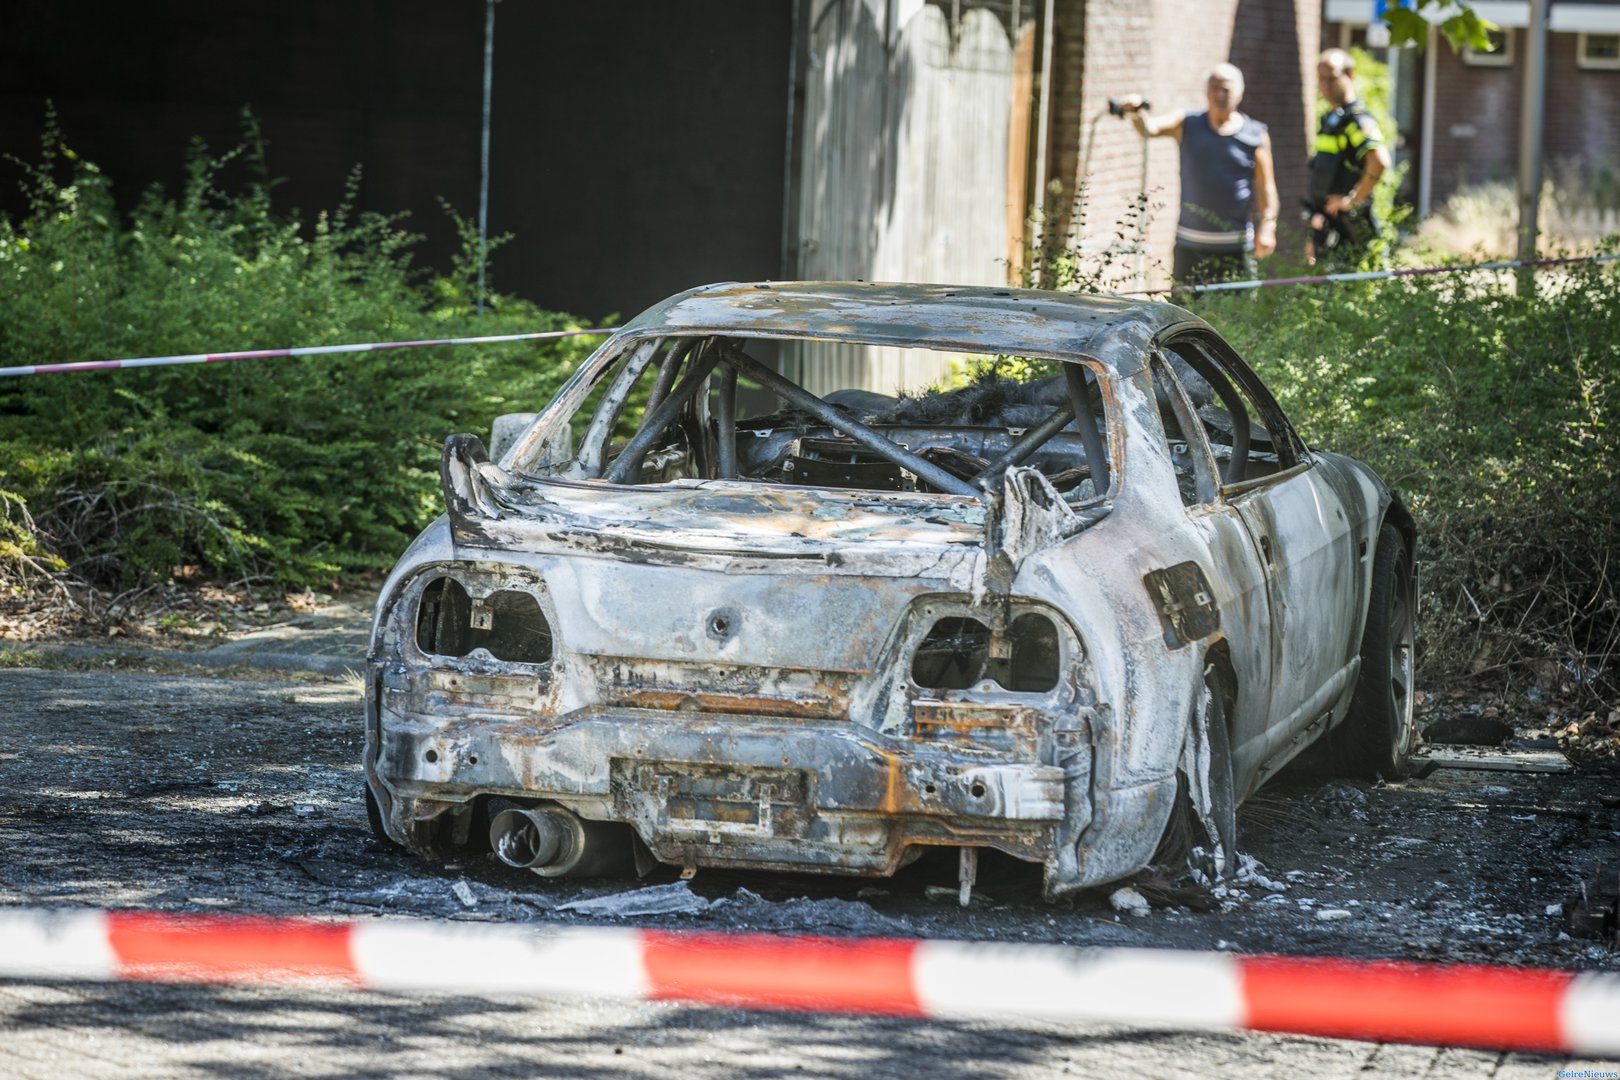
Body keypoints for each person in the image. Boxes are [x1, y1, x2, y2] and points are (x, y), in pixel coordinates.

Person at [1119, 63, 1278, 285]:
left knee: (1237, 315)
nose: (1220, 94)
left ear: (1240, 93)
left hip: (1235, 245)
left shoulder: (1255, 134)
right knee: (1186, 313)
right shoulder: (1186, 123)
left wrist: (1268, 227)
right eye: (1214, 87)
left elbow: (1266, 187)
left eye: (1226, 88)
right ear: (1206, 91)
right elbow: (1149, 129)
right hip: (1190, 244)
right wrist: (1136, 113)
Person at [1307, 48, 1393, 267]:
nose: (1325, 85)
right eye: (1321, 79)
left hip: (1352, 229)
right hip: (1329, 227)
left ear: (1350, 76)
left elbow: (1379, 161)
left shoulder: (1356, 120)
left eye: (1332, 78)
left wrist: (1352, 200)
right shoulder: (1330, 120)